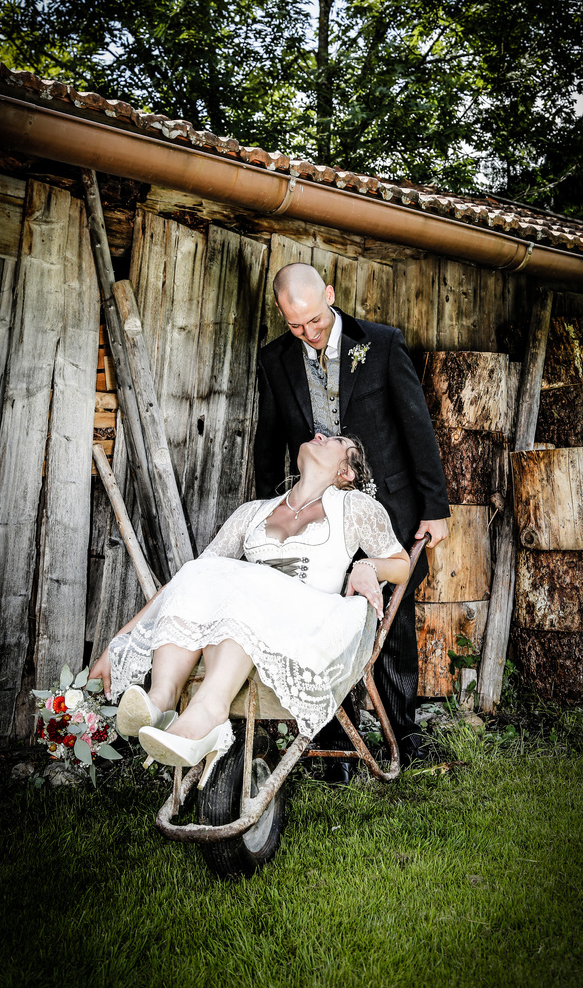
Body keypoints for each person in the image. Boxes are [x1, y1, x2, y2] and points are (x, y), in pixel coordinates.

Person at [89, 434, 409, 784]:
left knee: (246, 588)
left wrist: (369, 567)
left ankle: (209, 710)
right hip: (247, 621)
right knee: (200, 572)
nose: (318, 435)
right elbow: (186, 583)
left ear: (346, 472)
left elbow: (400, 563)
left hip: (307, 627)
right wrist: (120, 639)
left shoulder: (355, 508)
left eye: (333, 439)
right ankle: (161, 698)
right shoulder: (252, 513)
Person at [254, 262, 449, 776]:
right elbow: (269, 442)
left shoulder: (381, 343)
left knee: (392, 619)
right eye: (296, 326)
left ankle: (401, 733)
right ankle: (337, 745)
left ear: (331, 296)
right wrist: (267, 513)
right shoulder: (275, 360)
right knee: (321, 613)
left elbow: (416, 426)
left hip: (388, 505)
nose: (309, 334)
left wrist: (434, 507)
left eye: (315, 320)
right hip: (321, 516)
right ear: (282, 315)